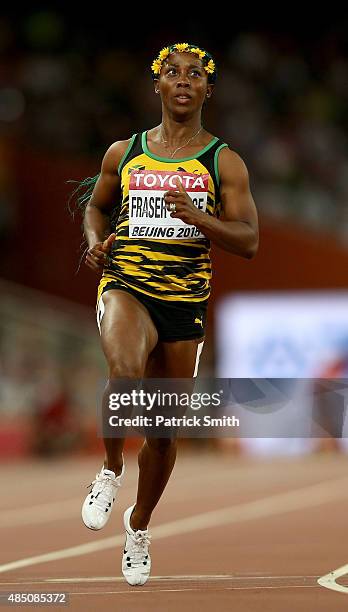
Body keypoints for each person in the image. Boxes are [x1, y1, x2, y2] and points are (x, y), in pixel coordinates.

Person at [77, 42, 259, 586]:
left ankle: (138, 524)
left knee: (161, 434)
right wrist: (93, 241)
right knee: (124, 372)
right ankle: (110, 470)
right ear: (157, 86)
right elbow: (96, 205)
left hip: (184, 303)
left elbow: (249, 241)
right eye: (173, 73)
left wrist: (198, 219)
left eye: (196, 74)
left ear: (208, 89)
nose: (184, 80)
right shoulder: (124, 152)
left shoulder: (223, 161)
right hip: (127, 285)